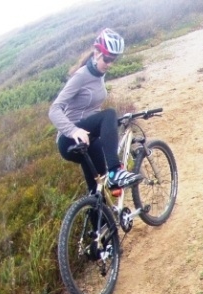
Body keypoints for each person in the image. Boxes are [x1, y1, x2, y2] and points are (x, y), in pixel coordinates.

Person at [49, 29, 143, 193]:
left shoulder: (100, 73)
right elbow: (54, 109)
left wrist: (111, 125)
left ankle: (98, 207)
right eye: (107, 59)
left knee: (98, 190)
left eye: (113, 59)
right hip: (69, 139)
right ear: (96, 53)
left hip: (89, 140)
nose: (109, 64)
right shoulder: (81, 76)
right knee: (109, 114)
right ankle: (115, 171)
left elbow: (91, 112)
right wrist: (73, 130)